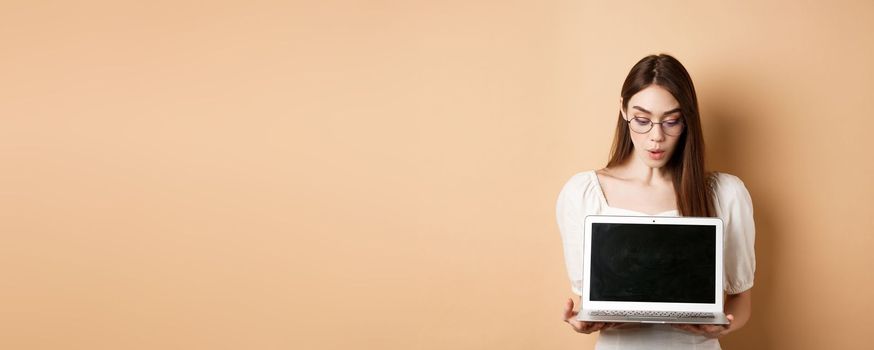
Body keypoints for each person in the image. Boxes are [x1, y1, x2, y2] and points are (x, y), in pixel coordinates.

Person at [556, 54, 755, 349]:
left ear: (687, 120)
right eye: (642, 120)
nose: (656, 137)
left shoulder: (726, 193)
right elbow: (590, 299)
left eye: (671, 121)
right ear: (623, 110)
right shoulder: (581, 192)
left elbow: (740, 300)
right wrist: (585, 321)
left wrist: (720, 327)